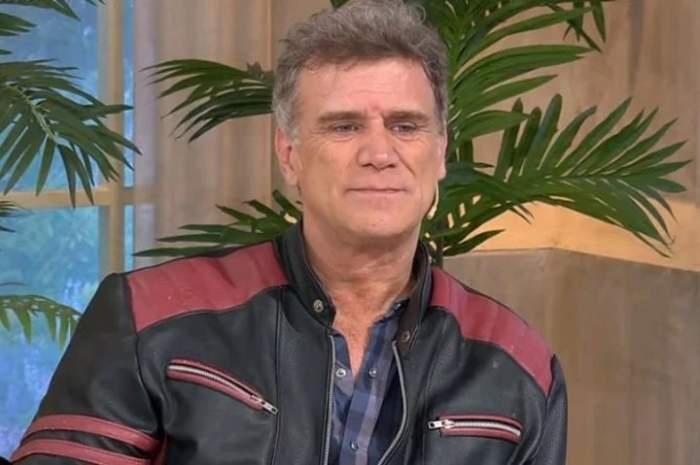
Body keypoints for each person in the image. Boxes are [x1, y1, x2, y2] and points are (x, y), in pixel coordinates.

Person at [9, 1, 566, 464]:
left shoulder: (520, 366)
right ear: (289, 153)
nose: (379, 153)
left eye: (406, 125)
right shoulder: (148, 318)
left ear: (440, 152)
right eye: (344, 126)